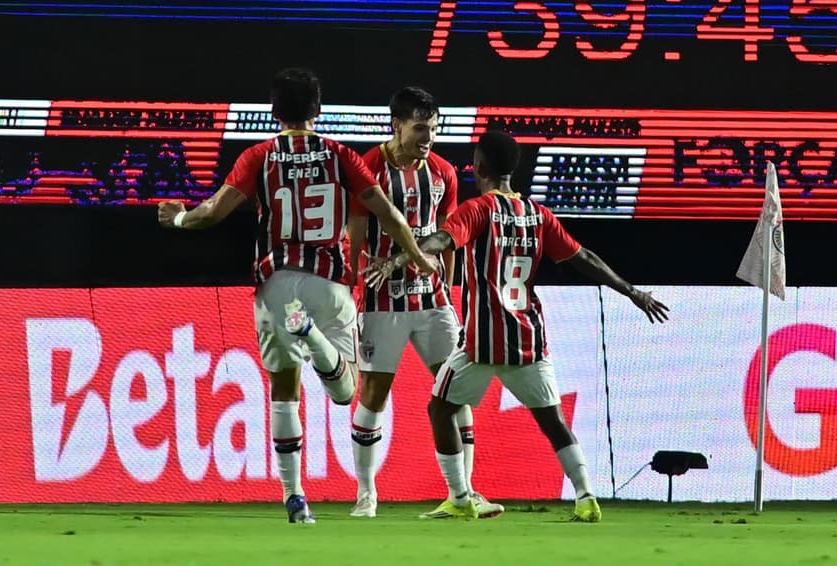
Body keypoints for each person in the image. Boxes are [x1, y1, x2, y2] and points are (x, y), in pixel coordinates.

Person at [157, 68, 438, 524]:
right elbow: (387, 213)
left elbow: (212, 214)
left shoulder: (259, 156)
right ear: (318, 111)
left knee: (283, 393)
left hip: (276, 286)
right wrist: (417, 255)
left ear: (274, 112)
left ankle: (295, 497)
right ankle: (314, 337)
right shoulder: (340, 154)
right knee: (346, 393)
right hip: (329, 282)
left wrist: (178, 219)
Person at [364, 131, 669, 520]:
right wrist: (631, 292)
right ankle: (586, 496)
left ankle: (459, 499)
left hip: (482, 344)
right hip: (529, 340)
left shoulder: (477, 210)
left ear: (480, 166)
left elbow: (440, 240)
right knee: (554, 422)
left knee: (440, 409)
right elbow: (583, 257)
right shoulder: (537, 214)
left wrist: (397, 260)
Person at [346, 87, 503, 519]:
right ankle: (366, 493)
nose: (428, 137)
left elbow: (449, 236)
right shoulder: (368, 168)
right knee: (374, 394)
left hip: (432, 301)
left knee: (457, 389)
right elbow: (354, 234)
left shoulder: (443, 173)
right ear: (396, 125)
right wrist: (357, 272)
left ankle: (465, 492)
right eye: (420, 128)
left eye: (433, 129)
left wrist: (449, 291)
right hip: (381, 302)